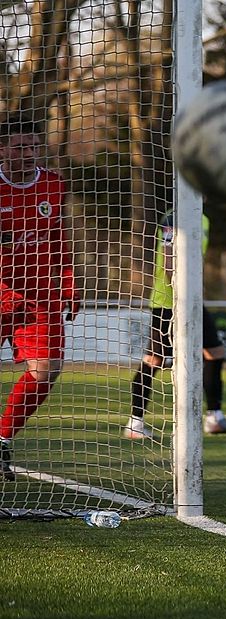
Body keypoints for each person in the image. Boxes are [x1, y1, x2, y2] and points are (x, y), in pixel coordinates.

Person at [123, 211, 226, 440]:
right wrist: (180, 292)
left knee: (214, 352)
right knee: (154, 359)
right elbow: (168, 256)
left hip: (191, 300)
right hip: (168, 301)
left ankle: (214, 417)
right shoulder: (174, 217)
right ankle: (135, 423)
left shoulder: (204, 217)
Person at [0, 117, 77, 480]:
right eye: (20, 147)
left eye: (33, 146)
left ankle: (1, 439)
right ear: (3, 150)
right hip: (1, 291)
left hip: (40, 294)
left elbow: (59, 236)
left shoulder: (53, 184)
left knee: (47, 370)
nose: (29, 153)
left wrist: (69, 282)